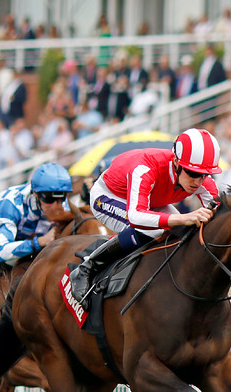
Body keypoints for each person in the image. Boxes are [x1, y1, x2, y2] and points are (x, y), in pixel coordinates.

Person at [68, 128, 221, 303]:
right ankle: (87, 267)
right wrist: (185, 217)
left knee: (179, 230)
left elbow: (219, 211)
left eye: (205, 175)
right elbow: (136, 217)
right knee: (152, 229)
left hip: (150, 201)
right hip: (108, 197)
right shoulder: (146, 168)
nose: (198, 181)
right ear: (177, 163)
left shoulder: (201, 180)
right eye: (193, 173)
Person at [0, 162, 72, 268]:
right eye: (49, 199)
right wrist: (38, 242)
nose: (55, 206)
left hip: (23, 227)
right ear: (35, 194)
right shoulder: (11, 205)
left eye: (61, 198)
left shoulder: (63, 205)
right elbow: (2, 251)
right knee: (10, 260)